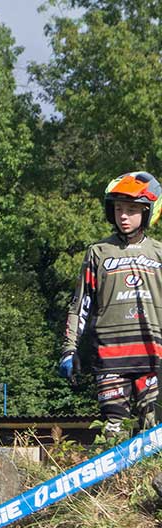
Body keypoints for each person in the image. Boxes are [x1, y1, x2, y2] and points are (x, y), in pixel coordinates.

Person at [61, 172, 162, 438]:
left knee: (154, 432)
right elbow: (79, 304)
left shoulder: (159, 253)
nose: (123, 216)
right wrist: (69, 349)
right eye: (118, 209)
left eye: (131, 210)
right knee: (113, 432)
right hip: (110, 357)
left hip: (154, 357)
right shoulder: (98, 252)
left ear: (148, 212)